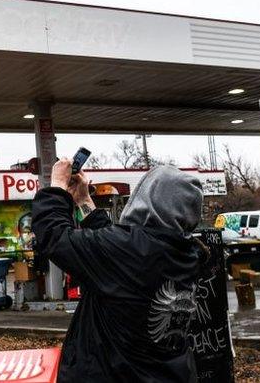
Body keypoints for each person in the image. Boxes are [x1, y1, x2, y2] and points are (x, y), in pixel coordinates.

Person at [32, 158, 207, 383]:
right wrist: (84, 200)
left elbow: (55, 237)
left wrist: (56, 186)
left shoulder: (127, 251)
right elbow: (116, 252)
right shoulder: (186, 252)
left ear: (145, 199)